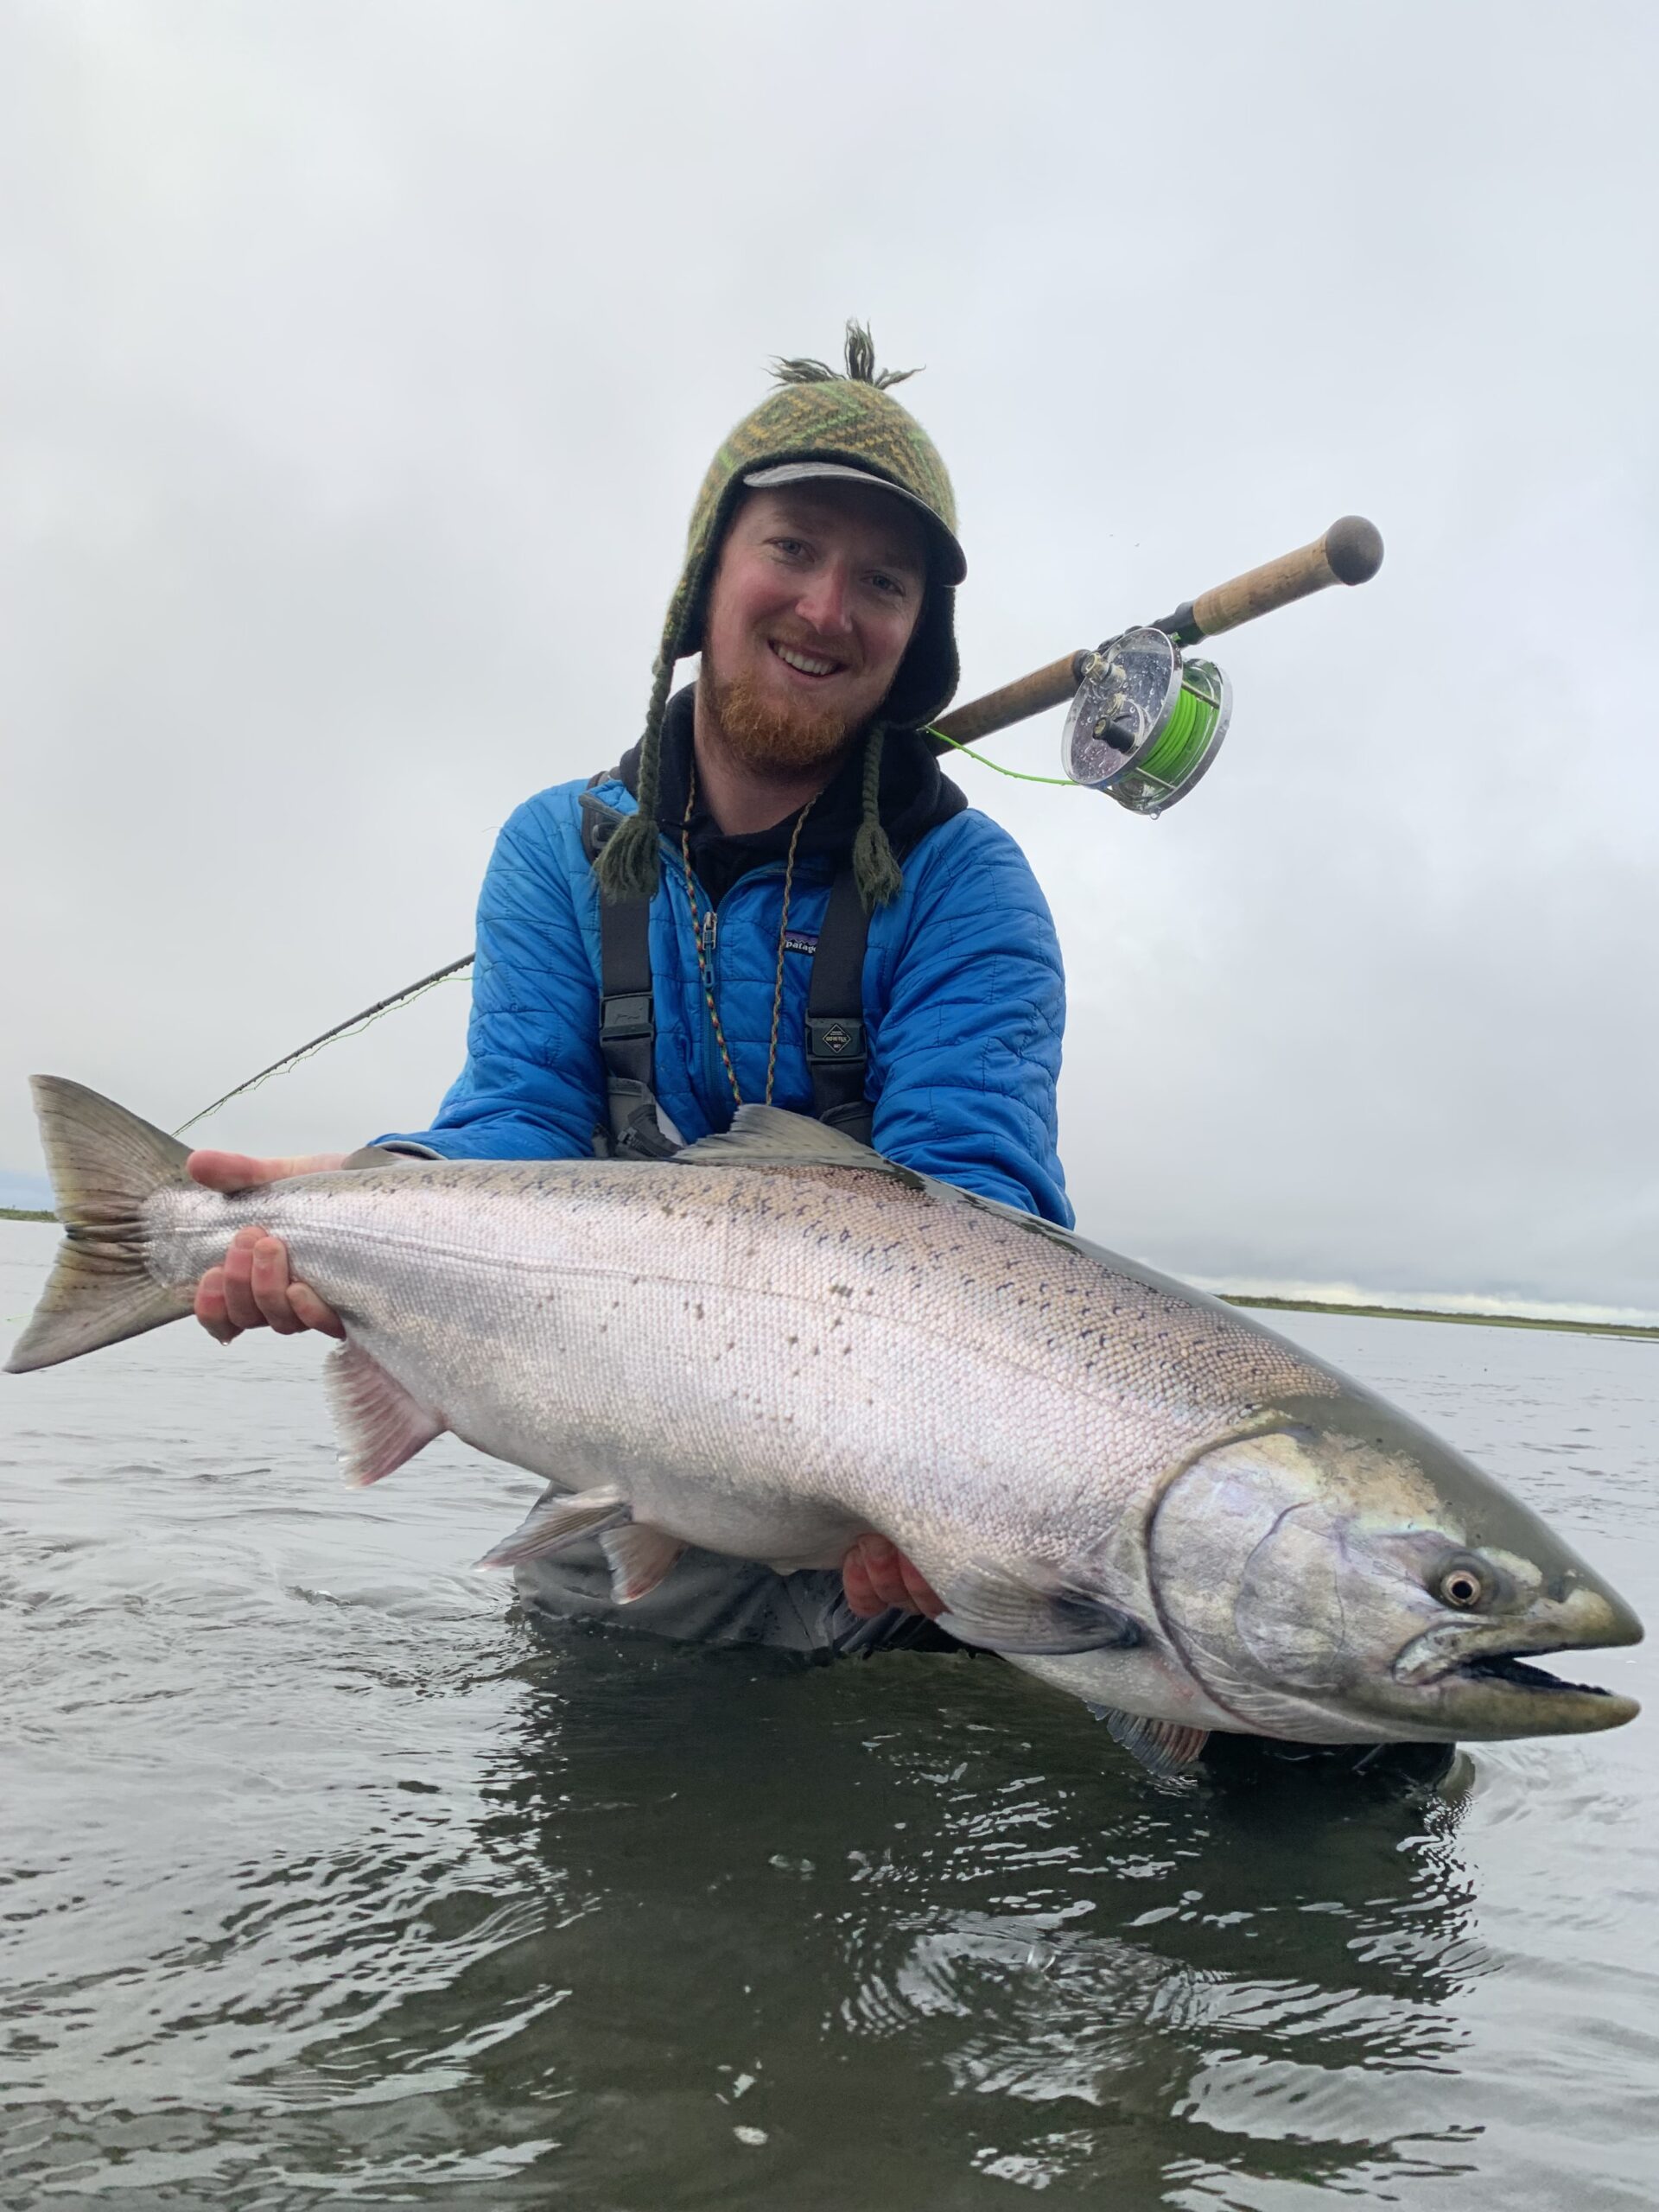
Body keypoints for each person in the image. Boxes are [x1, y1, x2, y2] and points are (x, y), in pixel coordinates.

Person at [188, 322, 1070, 1654]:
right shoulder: (557, 851)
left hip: (901, 1503)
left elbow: (984, 1218)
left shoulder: (971, 890)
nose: (828, 609)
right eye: (790, 550)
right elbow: (514, 1131)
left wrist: (954, 1491)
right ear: (704, 579)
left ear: (917, 635)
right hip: (631, 1452)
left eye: (883, 582)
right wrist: (364, 1193)